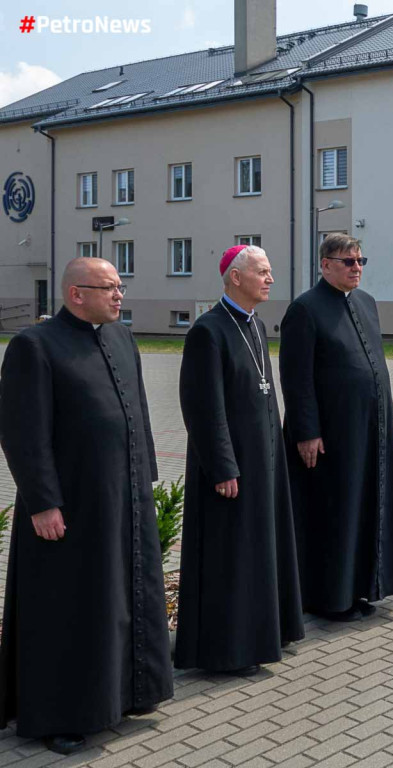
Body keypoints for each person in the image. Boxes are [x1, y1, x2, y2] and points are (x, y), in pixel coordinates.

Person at [0, 258, 173, 754]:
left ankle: (126, 695)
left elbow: (135, 411)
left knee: (122, 599)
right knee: (67, 608)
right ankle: (60, 714)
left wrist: (147, 481)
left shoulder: (121, 338)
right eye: (109, 288)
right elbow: (22, 433)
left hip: (122, 498)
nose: (120, 296)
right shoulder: (35, 346)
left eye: (121, 286)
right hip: (68, 507)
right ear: (76, 294)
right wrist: (42, 503)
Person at [176, 245, 305, 675]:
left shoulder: (256, 324)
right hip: (229, 468)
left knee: (261, 551)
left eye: (270, 272)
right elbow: (202, 407)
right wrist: (223, 466)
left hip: (263, 460)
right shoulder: (208, 331)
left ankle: (264, 635)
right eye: (262, 272)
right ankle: (227, 650)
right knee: (232, 556)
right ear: (235, 277)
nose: (270, 279)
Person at [279, 234, 393, 621]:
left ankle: (363, 588)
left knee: (367, 508)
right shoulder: (304, 309)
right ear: (325, 265)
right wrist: (306, 431)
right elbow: (296, 377)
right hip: (331, 436)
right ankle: (330, 598)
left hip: (370, 429)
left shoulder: (366, 303)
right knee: (336, 513)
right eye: (348, 261)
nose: (357, 268)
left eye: (360, 260)